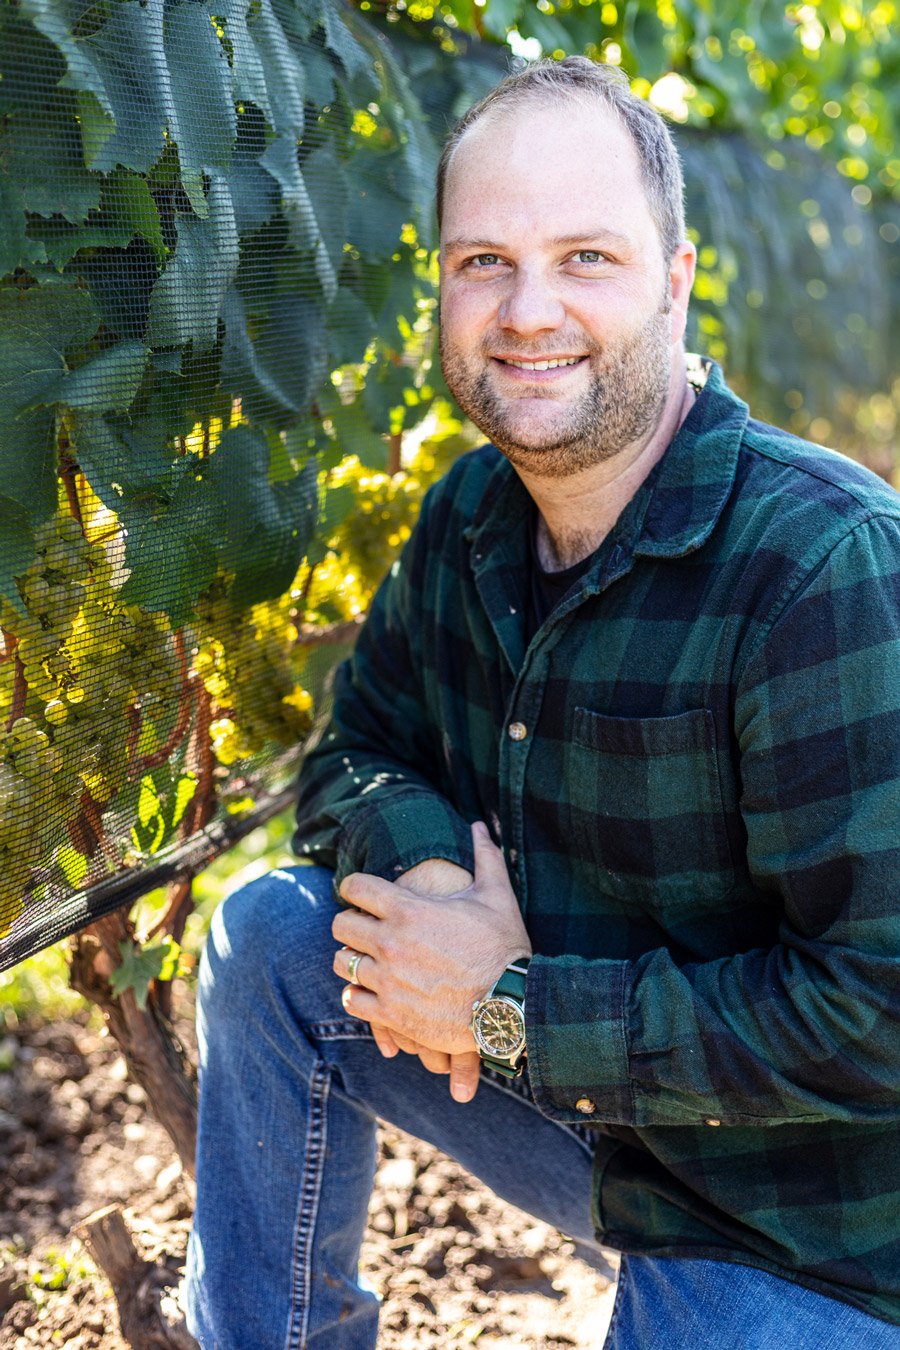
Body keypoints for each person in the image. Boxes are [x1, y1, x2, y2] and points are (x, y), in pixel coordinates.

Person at [184, 56, 900, 1349]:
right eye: (482, 263)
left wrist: (509, 1003)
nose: (527, 309)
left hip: (817, 1217)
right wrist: (438, 900)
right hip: (597, 1107)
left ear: (677, 281)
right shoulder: (468, 520)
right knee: (276, 942)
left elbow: (881, 1010)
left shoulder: (822, 566)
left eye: (586, 258)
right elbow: (356, 754)